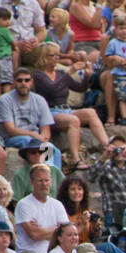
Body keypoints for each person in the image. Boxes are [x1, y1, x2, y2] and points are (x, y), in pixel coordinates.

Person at [31, 42, 105, 170]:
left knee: (91, 112)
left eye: (58, 55)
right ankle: (76, 159)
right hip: (50, 112)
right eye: (52, 55)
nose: (56, 58)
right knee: (73, 120)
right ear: (43, 57)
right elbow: (52, 89)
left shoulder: (59, 73)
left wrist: (88, 75)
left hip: (66, 109)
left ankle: (108, 146)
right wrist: (70, 72)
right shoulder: (37, 75)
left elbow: (80, 88)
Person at [0, 67, 62, 169]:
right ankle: (38, 171)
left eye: (27, 80)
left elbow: (46, 130)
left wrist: (43, 139)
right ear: (14, 82)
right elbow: (10, 130)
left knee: (54, 150)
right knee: (28, 141)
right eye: (20, 80)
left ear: (31, 82)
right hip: (13, 138)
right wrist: (32, 135)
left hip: (36, 138)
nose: (23, 83)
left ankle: (52, 177)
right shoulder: (4, 100)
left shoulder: (39, 100)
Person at [14, 163, 67, 253]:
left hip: (52, 252)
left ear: (51, 182)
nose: (44, 184)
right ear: (32, 183)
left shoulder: (57, 205)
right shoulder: (24, 204)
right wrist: (56, 229)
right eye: (40, 181)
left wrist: (42, 230)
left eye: (47, 180)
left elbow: (66, 233)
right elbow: (34, 235)